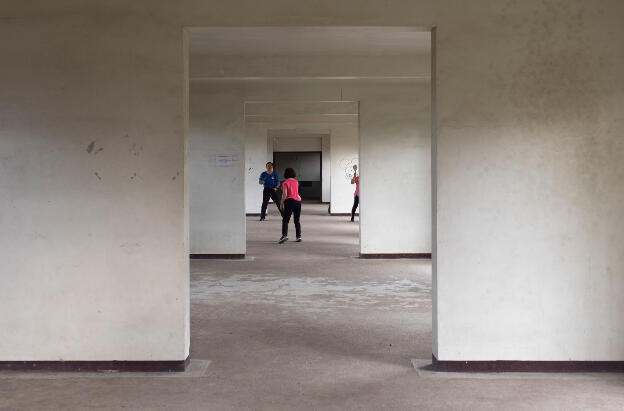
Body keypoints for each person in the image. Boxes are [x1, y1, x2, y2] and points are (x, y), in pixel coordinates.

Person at [278, 168, 302, 244]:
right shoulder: (296, 182)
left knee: (285, 220)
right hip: (298, 201)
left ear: (285, 174)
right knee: (297, 220)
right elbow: (297, 193)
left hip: (290, 201)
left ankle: (284, 236)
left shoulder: (285, 183)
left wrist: (281, 204)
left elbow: (284, 194)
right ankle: (298, 236)